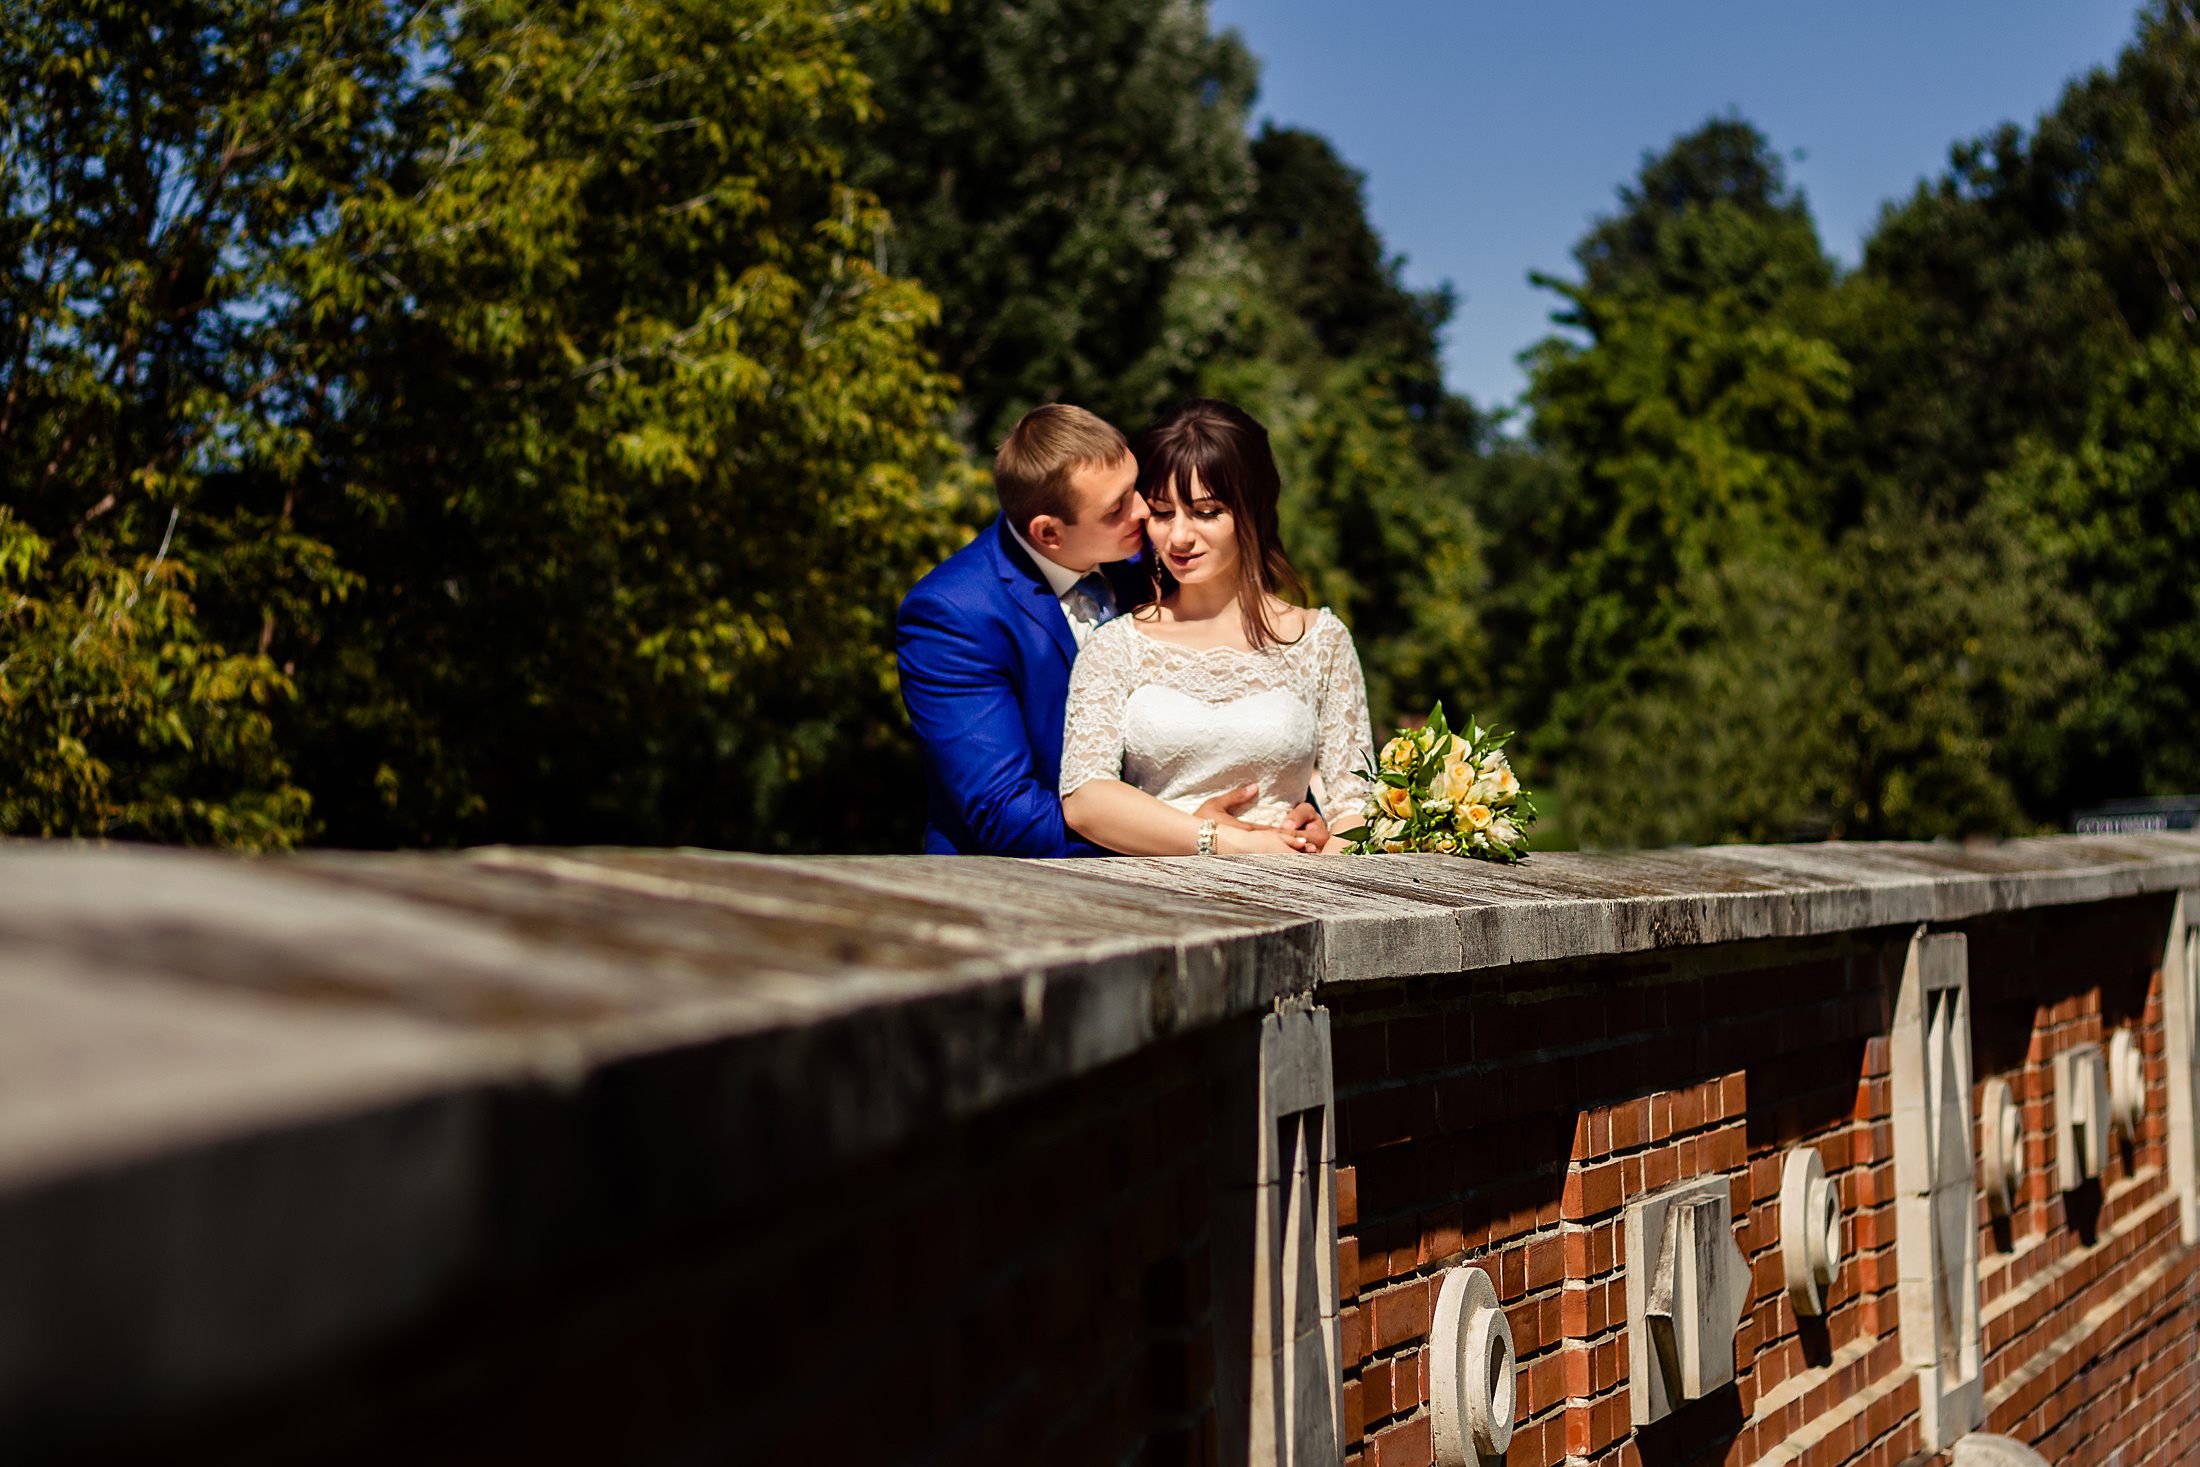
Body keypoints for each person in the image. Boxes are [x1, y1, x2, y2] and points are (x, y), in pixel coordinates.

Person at [897, 403, 1328, 856]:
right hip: (1017, 898)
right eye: (1116, 507)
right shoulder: (952, 615)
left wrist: (1291, 815)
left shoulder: (1149, 562)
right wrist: (1190, 835)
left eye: (1135, 488)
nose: (1144, 511)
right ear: (1049, 534)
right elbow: (1006, 815)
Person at [1059, 399, 1374, 856]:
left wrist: (1322, 862)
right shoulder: (1115, 645)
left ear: (1255, 510)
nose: (1179, 537)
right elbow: (1087, 800)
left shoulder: (1322, 641)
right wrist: (1221, 843)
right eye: (1164, 513)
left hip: (1300, 893)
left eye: (1206, 512)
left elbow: (1355, 805)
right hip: (1161, 902)